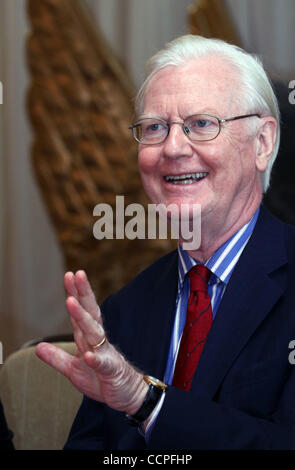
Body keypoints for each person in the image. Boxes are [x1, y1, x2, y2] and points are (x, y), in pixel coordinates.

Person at [36, 35, 295, 450]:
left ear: (262, 143)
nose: (172, 148)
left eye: (202, 124)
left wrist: (146, 402)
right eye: (155, 128)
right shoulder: (125, 309)